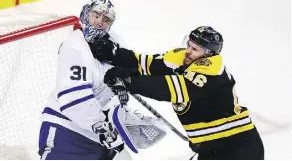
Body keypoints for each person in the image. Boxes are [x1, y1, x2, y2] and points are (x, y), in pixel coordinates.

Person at [91, 26, 265, 159]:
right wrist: (114, 54)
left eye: (195, 49)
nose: (188, 51)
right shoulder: (183, 58)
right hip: (212, 148)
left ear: (208, 55)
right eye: (189, 45)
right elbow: (145, 63)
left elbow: (169, 89)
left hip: (239, 147)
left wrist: (129, 81)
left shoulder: (211, 71)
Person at [38, 0, 126, 159]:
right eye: (96, 15)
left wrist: (123, 113)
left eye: (106, 19)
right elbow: (74, 100)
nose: (100, 22)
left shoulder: (110, 45)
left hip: (94, 134)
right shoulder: (74, 48)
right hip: (65, 130)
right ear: (85, 15)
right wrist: (106, 131)